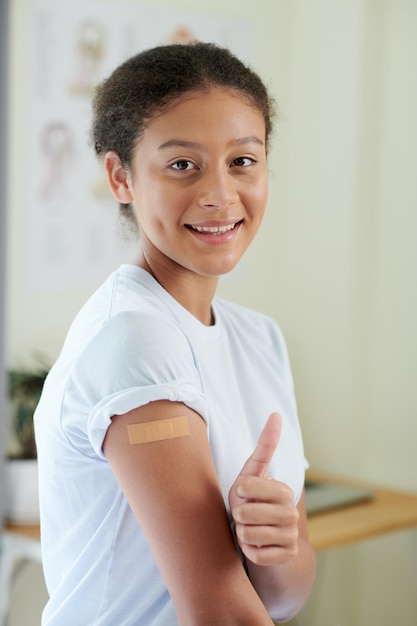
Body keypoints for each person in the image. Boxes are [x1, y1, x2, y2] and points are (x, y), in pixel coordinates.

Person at [34, 42, 316, 625]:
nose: (220, 195)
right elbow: (222, 615)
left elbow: (286, 595)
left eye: (243, 160)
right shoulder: (134, 341)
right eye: (182, 164)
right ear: (121, 177)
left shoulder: (260, 340)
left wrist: (274, 544)